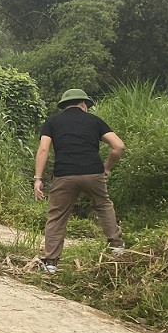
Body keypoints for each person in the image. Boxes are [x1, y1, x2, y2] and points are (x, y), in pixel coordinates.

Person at [34, 88, 126, 274]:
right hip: (93, 173)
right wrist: (106, 167)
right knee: (103, 205)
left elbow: (43, 149)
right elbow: (118, 146)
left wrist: (38, 179)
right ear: (83, 104)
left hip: (64, 174)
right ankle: (117, 248)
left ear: (64, 105)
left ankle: (51, 263)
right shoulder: (95, 121)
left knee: (57, 215)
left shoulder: (53, 122)